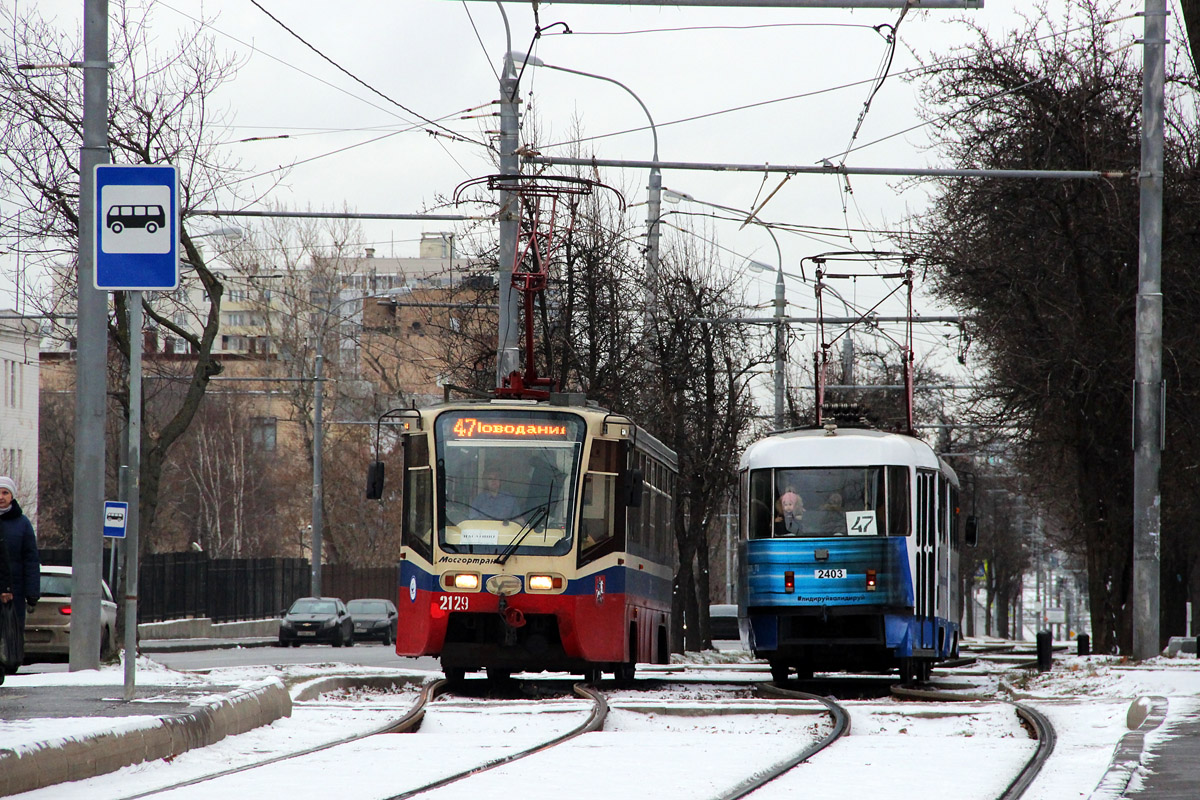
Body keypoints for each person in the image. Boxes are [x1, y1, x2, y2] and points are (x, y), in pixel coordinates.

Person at [0, 476, 40, 637]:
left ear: (12, 496)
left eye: (5, 493)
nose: (1, 497)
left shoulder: (22, 524)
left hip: (15, 592)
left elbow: (31, 560)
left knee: (12, 637)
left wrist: (32, 593)